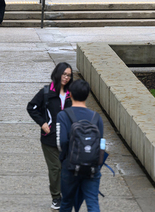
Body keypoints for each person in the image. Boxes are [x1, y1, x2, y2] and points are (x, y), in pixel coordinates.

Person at [27, 62, 73, 210]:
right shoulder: (46, 92)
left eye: (69, 75)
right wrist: (42, 123)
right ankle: (56, 197)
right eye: (64, 74)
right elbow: (31, 107)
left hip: (67, 138)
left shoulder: (71, 93)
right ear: (57, 74)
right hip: (50, 138)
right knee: (55, 169)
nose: (66, 78)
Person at [57, 80, 104, 212]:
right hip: (92, 168)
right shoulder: (96, 117)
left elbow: (61, 142)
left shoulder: (63, 115)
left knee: (66, 203)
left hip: (70, 166)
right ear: (88, 95)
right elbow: (101, 143)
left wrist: (64, 159)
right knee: (93, 202)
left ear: (70, 94)